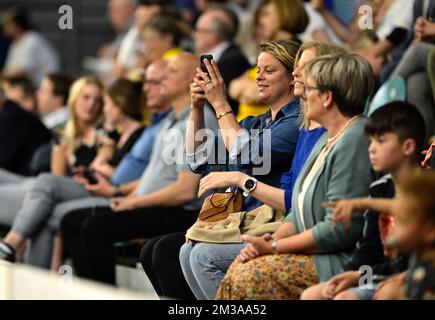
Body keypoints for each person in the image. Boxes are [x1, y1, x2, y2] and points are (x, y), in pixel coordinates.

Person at [140, 41, 344, 300]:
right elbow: (198, 158)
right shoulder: (256, 122)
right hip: (240, 221)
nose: (259, 76)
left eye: (269, 70)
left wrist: (221, 104)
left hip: (267, 223)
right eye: (258, 70)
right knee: (156, 250)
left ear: (292, 78)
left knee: (171, 252)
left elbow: (250, 155)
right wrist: (196, 107)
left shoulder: (296, 123)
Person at [215, 53, 374, 300]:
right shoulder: (327, 137)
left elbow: (338, 229)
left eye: (308, 89)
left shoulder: (354, 140)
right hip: (311, 251)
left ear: (327, 97)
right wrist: (268, 242)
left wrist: (275, 247)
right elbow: (298, 213)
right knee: (242, 266)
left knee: (249, 276)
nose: (301, 95)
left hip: (336, 262)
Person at [59, 53, 219, 285]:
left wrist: (133, 203)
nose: (162, 78)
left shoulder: (200, 119)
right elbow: (153, 176)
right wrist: (124, 196)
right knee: (71, 221)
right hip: (156, 204)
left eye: (171, 72)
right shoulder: (168, 121)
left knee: (95, 227)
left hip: (182, 211)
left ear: (191, 79)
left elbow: (185, 191)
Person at [300, 101, 426, 300]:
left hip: (411, 276)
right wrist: (348, 276)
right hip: (375, 275)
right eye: (371, 141)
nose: (372, 149)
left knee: (350, 297)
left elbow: (414, 261)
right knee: (313, 295)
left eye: (381, 141)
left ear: (408, 146)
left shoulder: (425, 191)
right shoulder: (380, 188)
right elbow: (369, 246)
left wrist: (360, 277)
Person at [372, 171, 435, 300]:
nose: (393, 229)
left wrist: (398, 295)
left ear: (429, 231)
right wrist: (404, 277)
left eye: (401, 222)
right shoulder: (419, 256)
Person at [193, 4, 251, 114]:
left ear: (213, 35)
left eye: (198, 30)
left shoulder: (233, 60)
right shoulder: (224, 57)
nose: (194, 35)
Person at [1, 6, 60, 86]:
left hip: (44, 88)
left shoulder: (32, 39)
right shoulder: (15, 43)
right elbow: (9, 69)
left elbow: (22, 72)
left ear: (16, 25)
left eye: (7, 24)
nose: (4, 27)